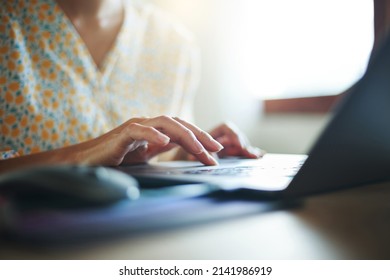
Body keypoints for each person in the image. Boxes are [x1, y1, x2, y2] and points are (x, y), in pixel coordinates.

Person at [0, 0, 262, 174]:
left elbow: (158, 156)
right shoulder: (8, 23)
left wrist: (191, 151)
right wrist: (87, 154)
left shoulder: (175, 41)